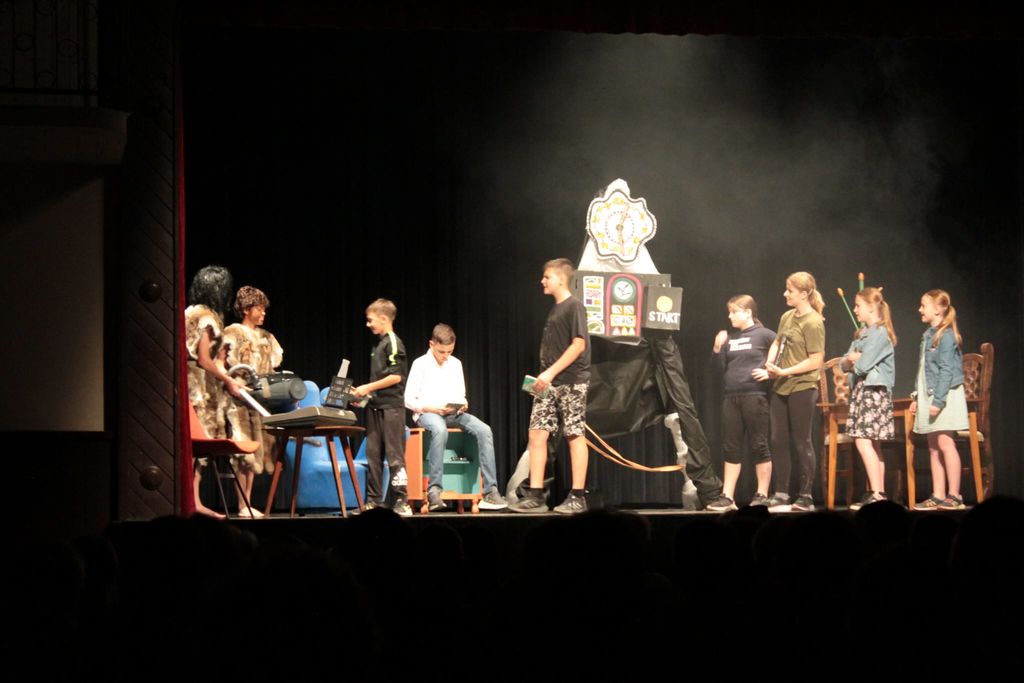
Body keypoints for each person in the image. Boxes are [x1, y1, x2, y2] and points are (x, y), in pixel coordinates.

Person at [509, 258, 591, 514]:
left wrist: (551, 372)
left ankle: (578, 496)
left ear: (561, 279)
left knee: (574, 434)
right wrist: (546, 376)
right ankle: (536, 495)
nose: (542, 281)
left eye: (547, 277)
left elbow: (579, 345)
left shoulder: (574, 306)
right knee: (537, 434)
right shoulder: (556, 309)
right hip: (548, 383)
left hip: (571, 381)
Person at [404, 323, 508, 511]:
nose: (446, 356)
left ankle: (490, 491)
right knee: (439, 429)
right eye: (441, 352)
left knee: (484, 430)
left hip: (453, 414)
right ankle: (434, 491)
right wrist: (431, 408)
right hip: (427, 413)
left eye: (449, 351)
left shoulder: (455, 364)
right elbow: (408, 399)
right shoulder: (420, 364)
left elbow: (461, 394)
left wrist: (463, 403)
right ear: (431, 344)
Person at [755, 271, 826, 513]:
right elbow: (777, 342)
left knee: (801, 440)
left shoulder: (813, 322)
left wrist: (785, 371)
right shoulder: (787, 316)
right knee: (778, 439)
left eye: (790, 291)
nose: (785, 294)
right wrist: (769, 363)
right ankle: (781, 493)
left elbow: (816, 360)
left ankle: (805, 496)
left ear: (804, 294)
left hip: (803, 386)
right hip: (781, 386)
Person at [184, 265, 250, 519]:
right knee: (198, 444)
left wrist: (230, 378)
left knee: (193, 445)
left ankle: (193, 501)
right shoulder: (207, 318)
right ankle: (195, 503)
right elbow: (204, 359)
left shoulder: (189, 312)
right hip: (199, 386)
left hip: (188, 381)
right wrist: (228, 380)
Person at [707, 295, 776, 512]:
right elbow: (718, 371)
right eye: (729, 312)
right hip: (731, 398)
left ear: (748, 312)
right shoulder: (731, 338)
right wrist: (717, 348)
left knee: (759, 444)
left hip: (755, 396)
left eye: (734, 311)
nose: (730, 316)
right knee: (731, 447)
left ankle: (762, 494)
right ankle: (728, 497)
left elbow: (784, 356)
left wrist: (770, 373)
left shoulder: (765, 335)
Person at [223, 285, 284, 518]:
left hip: (260, 401)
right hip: (239, 401)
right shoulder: (233, 333)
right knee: (243, 454)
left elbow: (272, 368)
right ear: (247, 309)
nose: (264, 313)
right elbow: (225, 365)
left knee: (257, 453)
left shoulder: (267, 338)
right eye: (259, 308)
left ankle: (247, 503)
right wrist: (236, 385)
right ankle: (242, 504)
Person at [910, 289, 969, 511]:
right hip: (930, 394)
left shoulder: (947, 335)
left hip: (944, 395)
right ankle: (938, 494)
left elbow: (946, 371)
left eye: (923, 305)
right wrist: (917, 397)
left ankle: (954, 495)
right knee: (933, 447)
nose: (920, 309)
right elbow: (923, 370)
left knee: (945, 443)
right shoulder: (928, 335)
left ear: (938, 309)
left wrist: (938, 401)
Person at [840, 287, 897, 511]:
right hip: (862, 391)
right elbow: (843, 363)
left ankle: (877, 493)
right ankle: (878, 492)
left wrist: (855, 359)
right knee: (871, 442)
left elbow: (862, 365)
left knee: (864, 441)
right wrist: (852, 359)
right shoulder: (862, 333)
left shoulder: (880, 333)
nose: (855, 310)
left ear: (872, 307)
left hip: (873, 392)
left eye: (858, 305)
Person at [352, 299, 410, 515]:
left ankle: (402, 500)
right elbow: (379, 379)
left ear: (384, 318)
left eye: (370, 320)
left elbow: (396, 377)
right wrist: (364, 395)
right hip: (375, 407)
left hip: (392, 408)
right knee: (373, 455)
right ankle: (374, 501)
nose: (368, 324)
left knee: (395, 456)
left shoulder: (393, 342)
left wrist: (367, 387)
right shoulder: (378, 344)